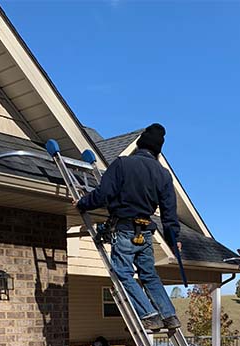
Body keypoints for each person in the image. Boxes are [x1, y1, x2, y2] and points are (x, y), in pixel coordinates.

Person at [74, 123, 181, 331]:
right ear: (157, 151)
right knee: (149, 274)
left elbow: (103, 195)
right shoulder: (163, 175)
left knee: (122, 272)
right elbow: (169, 212)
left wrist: (82, 203)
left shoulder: (122, 164)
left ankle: (149, 315)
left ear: (138, 145)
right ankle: (169, 315)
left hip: (125, 229)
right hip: (146, 232)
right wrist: (173, 238)